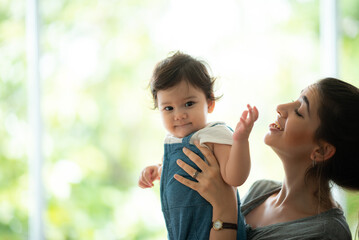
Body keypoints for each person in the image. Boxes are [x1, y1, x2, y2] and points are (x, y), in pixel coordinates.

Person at [175, 77, 359, 239]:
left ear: (321, 151)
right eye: (293, 100)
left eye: (300, 111)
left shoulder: (326, 234)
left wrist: (224, 208)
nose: (280, 108)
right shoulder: (260, 190)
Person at [138, 52, 258, 240]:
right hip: (180, 230)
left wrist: (241, 140)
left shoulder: (213, 136)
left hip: (212, 229)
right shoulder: (172, 141)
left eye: (188, 103)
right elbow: (178, 173)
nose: (179, 115)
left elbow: (235, 178)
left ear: (209, 103)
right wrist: (157, 171)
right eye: (168, 108)